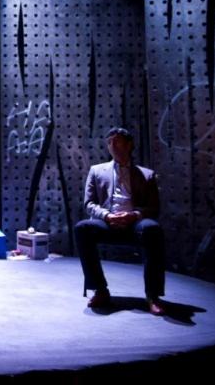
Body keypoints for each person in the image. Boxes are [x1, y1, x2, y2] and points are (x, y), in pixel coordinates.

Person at [74, 127, 167, 315]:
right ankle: (100, 290)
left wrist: (134, 215)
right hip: (107, 222)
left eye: (117, 141)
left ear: (129, 144)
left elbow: (154, 208)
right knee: (83, 228)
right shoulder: (97, 171)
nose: (112, 146)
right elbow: (89, 203)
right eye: (109, 142)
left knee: (153, 229)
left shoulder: (147, 175)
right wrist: (107, 215)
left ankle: (153, 296)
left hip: (135, 224)